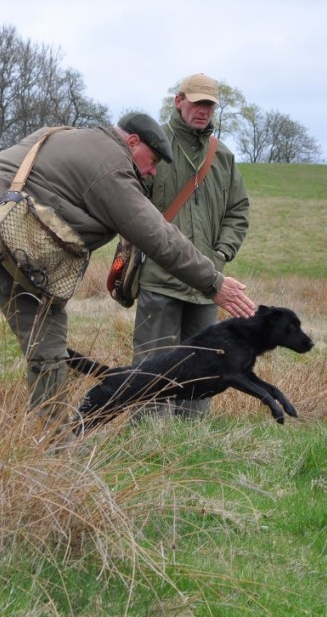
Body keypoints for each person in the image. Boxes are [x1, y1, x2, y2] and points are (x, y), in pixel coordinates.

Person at [0, 112, 255, 412]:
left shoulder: (62, 133)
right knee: (46, 345)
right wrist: (214, 283)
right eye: (151, 161)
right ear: (132, 142)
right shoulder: (112, 166)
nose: (151, 173)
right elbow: (156, 235)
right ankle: (54, 442)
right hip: (3, 234)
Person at [132, 73, 250, 418]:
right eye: (197, 102)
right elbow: (133, 206)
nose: (203, 110)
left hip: (206, 285)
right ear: (178, 101)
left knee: (204, 363)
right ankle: (148, 438)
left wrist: (222, 254)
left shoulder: (223, 157)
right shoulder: (155, 148)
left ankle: (191, 442)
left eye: (209, 105)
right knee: (154, 361)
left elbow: (239, 209)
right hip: (160, 278)